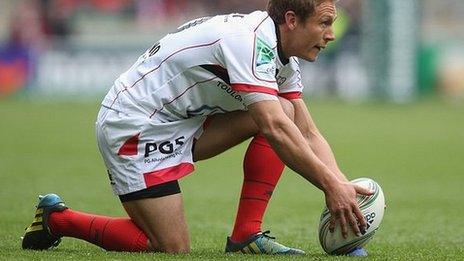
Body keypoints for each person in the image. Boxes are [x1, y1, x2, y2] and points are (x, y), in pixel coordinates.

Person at [22, 0, 373, 256]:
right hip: (134, 125)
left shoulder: (281, 57)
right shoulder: (248, 41)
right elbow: (277, 129)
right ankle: (58, 220)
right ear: (292, 20)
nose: (331, 35)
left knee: (283, 110)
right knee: (170, 247)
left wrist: (342, 188)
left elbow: (307, 132)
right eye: (325, 23)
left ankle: (245, 237)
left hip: (183, 123)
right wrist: (330, 187)